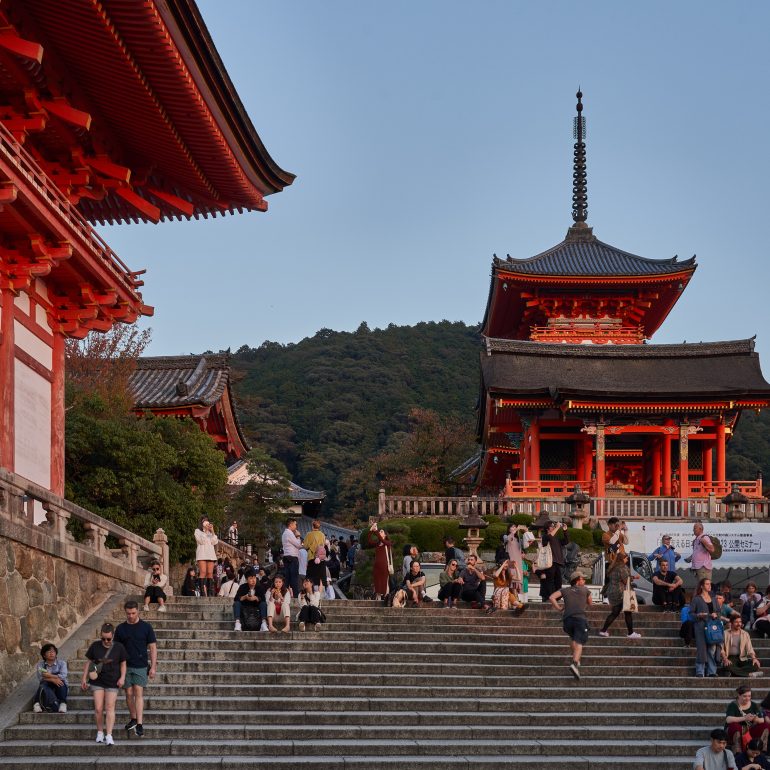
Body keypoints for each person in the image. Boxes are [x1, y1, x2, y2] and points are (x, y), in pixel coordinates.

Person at [115, 601, 157, 738]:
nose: (131, 616)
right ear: (125, 612)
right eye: (128, 613)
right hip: (125, 665)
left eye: (133, 613)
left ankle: (139, 724)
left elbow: (152, 648)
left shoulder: (146, 627)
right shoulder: (120, 628)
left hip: (141, 665)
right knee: (128, 694)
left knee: (138, 693)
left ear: (138, 611)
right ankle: (133, 718)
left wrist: (154, 666)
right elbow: (116, 649)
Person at [81, 623, 127, 746]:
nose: (105, 641)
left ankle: (109, 735)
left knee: (110, 707)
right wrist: (84, 678)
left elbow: (123, 664)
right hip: (97, 681)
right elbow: (88, 662)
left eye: (108, 639)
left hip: (113, 680)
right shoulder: (95, 646)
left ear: (113, 636)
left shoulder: (119, 647)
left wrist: (122, 678)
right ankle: (100, 732)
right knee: (98, 708)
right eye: (103, 638)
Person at [549, 573, 592, 680]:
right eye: (583, 579)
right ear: (577, 580)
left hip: (567, 620)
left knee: (573, 638)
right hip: (580, 619)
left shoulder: (565, 590)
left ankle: (576, 657)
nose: (584, 581)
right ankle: (575, 664)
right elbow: (590, 603)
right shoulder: (585, 590)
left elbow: (551, 597)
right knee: (579, 642)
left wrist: (559, 608)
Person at [597, 551, 641, 639]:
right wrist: (634, 578)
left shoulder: (613, 567)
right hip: (621, 592)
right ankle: (631, 633)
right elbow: (625, 580)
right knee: (628, 612)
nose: (627, 559)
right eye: (626, 558)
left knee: (615, 612)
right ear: (622, 559)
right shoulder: (623, 567)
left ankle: (603, 630)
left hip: (613, 592)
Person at [725, 685, 769, 755]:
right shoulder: (733, 705)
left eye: (749, 696)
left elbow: (762, 720)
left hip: (749, 730)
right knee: (735, 725)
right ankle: (737, 750)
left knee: (765, 725)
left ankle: (761, 748)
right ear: (739, 695)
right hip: (736, 732)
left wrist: (756, 719)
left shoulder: (754, 705)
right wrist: (744, 718)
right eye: (745, 696)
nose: (747, 698)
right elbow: (728, 719)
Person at [691, 577, 720, 677]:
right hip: (700, 626)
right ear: (702, 586)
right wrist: (699, 615)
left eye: (710, 584)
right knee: (701, 649)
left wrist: (716, 615)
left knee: (712, 649)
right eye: (707, 584)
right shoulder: (696, 599)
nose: (709, 586)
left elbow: (719, 612)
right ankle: (700, 671)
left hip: (712, 627)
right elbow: (691, 614)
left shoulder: (714, 598)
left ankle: (712, 671)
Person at [34, 643, 68, 713]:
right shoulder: (41, 665)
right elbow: (41, 677)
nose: (51, 653)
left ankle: (63, 703)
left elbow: (63, 675)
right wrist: (52, 680)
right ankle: (37, 704)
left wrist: (49, 675)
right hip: (47, 685)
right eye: (49, 652)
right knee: (43, 684)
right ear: (44, 655)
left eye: (53, 651)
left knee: (61, 682)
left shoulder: (62, 663)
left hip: (60, 685)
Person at [600, 517, 628, 602]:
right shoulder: (605, 535)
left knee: (623, 580)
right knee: (609, 580)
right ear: (609, 525)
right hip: (611, 560)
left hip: (622, 560)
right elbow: (612, 542)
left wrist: (626, 531)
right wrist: (618, 530)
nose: (616, 526)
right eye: (615, 525)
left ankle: (622, 598)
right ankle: (605, 598)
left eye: (617, 525)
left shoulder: (619, 534)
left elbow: (626, 542)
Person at [539, 521, 568, 600]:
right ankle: (549, 598)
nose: (553, 527)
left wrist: (565, 531)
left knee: (558, 582)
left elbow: (566, 541)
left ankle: (557, 598)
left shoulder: (556, 538)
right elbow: (549, 537)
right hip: (550, 562)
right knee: (550, 581)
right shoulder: (545, 536)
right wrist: (558, 527)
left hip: (557, 562)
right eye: (552, 526)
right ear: (547, 528)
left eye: (554, 526)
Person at [367, 522, 393, 600]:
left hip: (384, 566)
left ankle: (386, 597)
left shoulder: (387, 543)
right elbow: (369, 540)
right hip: (377, 566)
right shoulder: (377, 543)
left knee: (385, 582)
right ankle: (378, 598)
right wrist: (371, 531)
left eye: (382, 531)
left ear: (385, 535)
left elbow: (382, 539)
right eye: (380, 531)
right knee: (377, 582)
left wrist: (376, 530)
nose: (380, 532)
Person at [194, 516, 218, 597]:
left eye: (207, 521)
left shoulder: (210, 532)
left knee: (210, 573)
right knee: (203, 572)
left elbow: (214, 542)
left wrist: (212, 531)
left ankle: (210, 592)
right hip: (202, 554)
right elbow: (201, 541)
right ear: (201, 523)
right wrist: (205, 531)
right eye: (204, 521)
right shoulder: (197, 531)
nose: (206, 522)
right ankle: (202, 592)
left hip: (210, 554)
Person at [504, 523, 526, 605]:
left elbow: (526, 545)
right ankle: (515, 600)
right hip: (511, 560)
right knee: (513, 578)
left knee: (518, 580)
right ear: (509, 529)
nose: (514, 528)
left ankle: (515, 599)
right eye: (512, 527)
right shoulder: (506, 536)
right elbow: (508, 539)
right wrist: (515, 530)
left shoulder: (518, 538)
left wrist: (526, 531)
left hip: (519, 561)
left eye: (514, 527)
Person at [281, 518, 302, 597]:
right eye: (295, 524)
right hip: (292, 557)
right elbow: (298, 545)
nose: (296, 526)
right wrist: (298, 536)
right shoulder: (289, 533)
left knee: (288, 577)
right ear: (291, 525)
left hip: (287, 556)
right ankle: (296, 595)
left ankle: (285, 595)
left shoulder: (285, 533)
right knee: (294, 577)